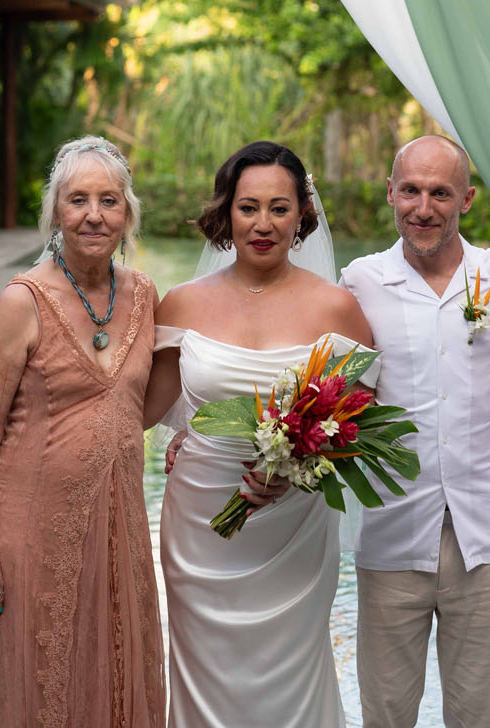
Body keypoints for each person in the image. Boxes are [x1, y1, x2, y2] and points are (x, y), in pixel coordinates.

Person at [146, 140, 377, 728]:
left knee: (291, 677)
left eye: (279, 207)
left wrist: (298, 466)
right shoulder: (181, 305)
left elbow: (356, 422)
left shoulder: (338, 309)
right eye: (249, 207)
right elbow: (141, 410)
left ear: (303, 214)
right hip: (201, 528)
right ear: (227, 212)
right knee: (204, 676)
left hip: (293, 531)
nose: (263, 223)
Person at [0, 136, 164, 728]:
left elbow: (137, 407)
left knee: (113, 674)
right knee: (40, 682)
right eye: (78, 200)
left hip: (120, 532)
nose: (94, 215)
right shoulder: (21, 301)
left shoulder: (145, 295)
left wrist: (187, 435)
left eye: (109, 200)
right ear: (55, 212)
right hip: (31, 535)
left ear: (127, 213)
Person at [338, 136, 490, 728]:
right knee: (386, 713)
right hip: (393, 535)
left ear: (466, 198)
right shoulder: (361, 282)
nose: (424, 207)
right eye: (412, 191)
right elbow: (334, 386)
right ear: (391, 194)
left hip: (483, 541)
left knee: (477, 715)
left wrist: (464, 412)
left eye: (440, 192)